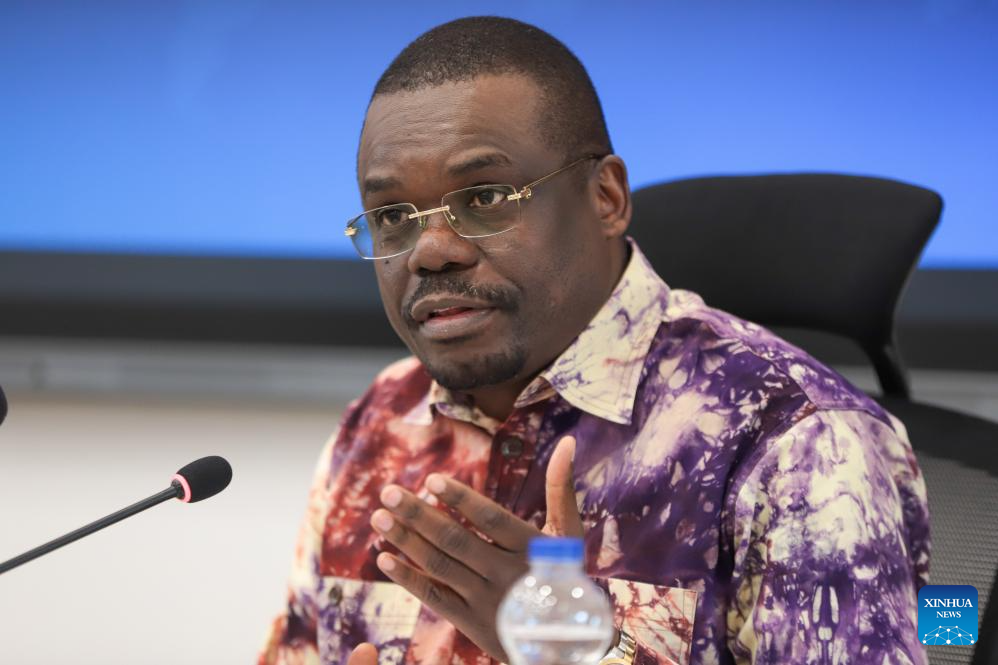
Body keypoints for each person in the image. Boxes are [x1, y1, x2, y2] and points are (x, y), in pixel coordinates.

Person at [258, 16, 930, 665]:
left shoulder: (797, 442)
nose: (430, 251)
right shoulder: (381, 421)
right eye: (392, 216)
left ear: (606, 197)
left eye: (486, 197)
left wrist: (586, 652)